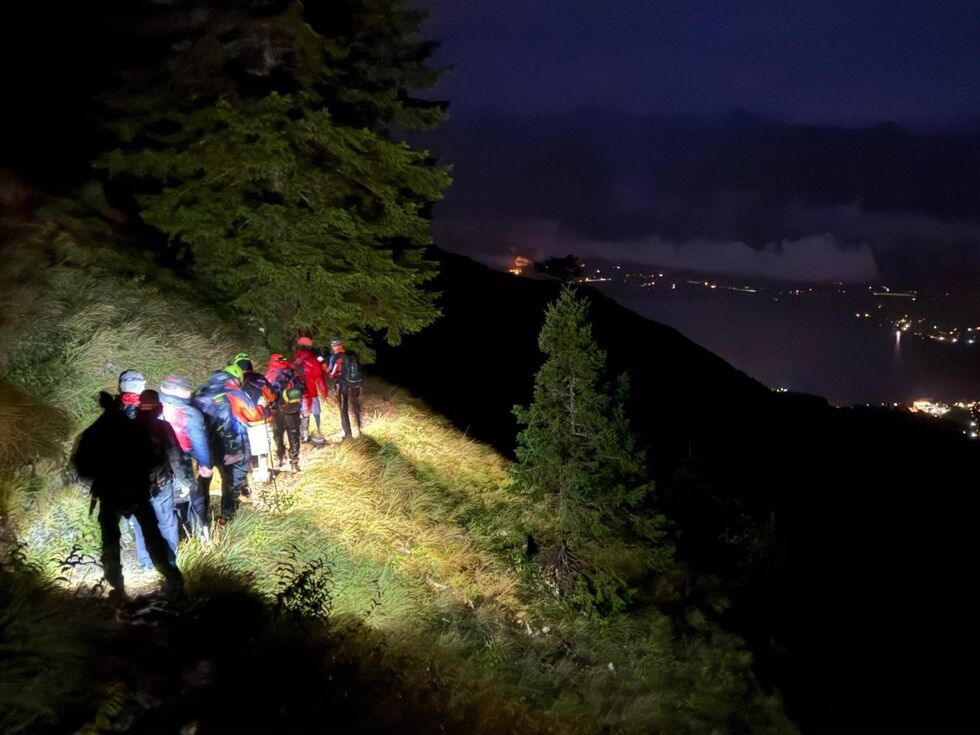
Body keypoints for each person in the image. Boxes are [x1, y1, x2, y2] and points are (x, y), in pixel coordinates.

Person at [72, 391, 184, 599]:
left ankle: (117, 587)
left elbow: (81, 466)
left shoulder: (92, 433)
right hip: (137, 492)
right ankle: (172, 578)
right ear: (119, 408)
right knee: (153, 535)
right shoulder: (134, 430)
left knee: (110, 541)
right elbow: (155, 458)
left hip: (109, 493)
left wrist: (103, 474)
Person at [193, 361, 266, 522]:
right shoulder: (234, 392)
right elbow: (253, 415)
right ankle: (227, 516)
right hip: (233, 444)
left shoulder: (200, 391)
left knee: (204, 479)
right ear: (236, 379)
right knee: (232, 478)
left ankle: (200, 517)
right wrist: (261, 405)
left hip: (206, 444)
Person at [160, 373, 212, 541]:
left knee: (167, 502)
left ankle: (175, 538)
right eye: (185, 389)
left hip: (158, 465)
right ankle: (203, 535)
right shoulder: (189, 414)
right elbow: (199, 442)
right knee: (195, 496)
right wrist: (205, 465)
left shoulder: (153, 408)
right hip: (183, 461)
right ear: (178, 392)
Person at [235, 354, 275, 484]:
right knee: (263, 447)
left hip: (245, 421)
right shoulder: (260, 379)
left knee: (250, 447)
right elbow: (272, 396)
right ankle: (264, 473)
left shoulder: (236, 383)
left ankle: (255, 473)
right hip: (263, 418)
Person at [265, 352, 306, 472]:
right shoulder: (293, 372)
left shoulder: (270, 375)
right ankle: (294, 462)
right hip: (292, 408)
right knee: (293, 434)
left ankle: (281, 456)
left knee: (278, 435)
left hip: (277, 409)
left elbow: (267, 393)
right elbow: (303, 388)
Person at [293, 336, 328, 444]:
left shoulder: (296, 362)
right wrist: (324, 392)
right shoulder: (314, 361)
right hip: (311, 393)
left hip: (299, 394)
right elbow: (319, 379)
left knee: (303, 414)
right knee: (316, 412)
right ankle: (317, 432)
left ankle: (304, 436)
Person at [327, 338, 363, 440]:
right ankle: (360, 430)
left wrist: (325, 368)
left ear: (334, 347)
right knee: (356, 407)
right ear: (342, 345)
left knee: (344, 410)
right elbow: (359, 369)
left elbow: (331, 374)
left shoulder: (334, 358)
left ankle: (348, 435)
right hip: (355, 385)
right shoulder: (352, 355)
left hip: (343, 386)